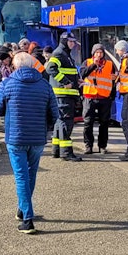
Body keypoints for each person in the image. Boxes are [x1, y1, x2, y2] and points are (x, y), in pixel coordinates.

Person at [0, 52, 60, 234]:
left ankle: (27, 218)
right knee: (31, 174)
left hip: (16, 137)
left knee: (21, 176)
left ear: (14, 65)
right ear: (32, 65)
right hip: (37, 137)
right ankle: (23, 209)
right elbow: (55, 114)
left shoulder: (7, 83)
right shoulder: (45, 85)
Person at [46, 33, 83, 162]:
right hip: (63, 94)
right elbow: (50, 68)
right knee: (66, 123)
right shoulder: (59, 53)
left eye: (74, 41)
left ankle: (56, 150)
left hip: (65, 94)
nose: (73, 44)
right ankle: (66, 152)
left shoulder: (65, 54)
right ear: (64, 41)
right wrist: (66, 82)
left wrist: (77, 80)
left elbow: (69, 71)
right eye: (71, 41)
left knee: (60, 122)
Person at [79, 43, 115, 154]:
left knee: (104, 123)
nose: (99, 55)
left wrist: (112, 96)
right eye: (97, 52)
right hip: (89, 96)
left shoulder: (109, 64)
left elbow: (113, 80)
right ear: (93, 54)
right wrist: (93, 65)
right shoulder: (87, 62)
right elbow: (82, 74)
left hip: (104, 97)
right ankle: (88, 146)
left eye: (101, 52)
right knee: (88, 122)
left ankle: (102, 146)